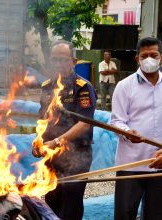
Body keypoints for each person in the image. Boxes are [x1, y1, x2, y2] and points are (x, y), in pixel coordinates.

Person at [32, 40, 97, 220]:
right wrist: (38, 141)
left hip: (77, 155)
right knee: (51, 203)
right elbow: (42, 120)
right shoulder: (46, 87)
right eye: (55, 60)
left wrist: (58, 141)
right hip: (52, 155)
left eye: (63, 59)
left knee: (70, 206)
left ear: (73, 61)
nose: (59, 64)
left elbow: (84, 123)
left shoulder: (83, 88)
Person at [111, 37, 162, 220]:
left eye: (153, 55)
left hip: (159, 165)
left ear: (160, 57)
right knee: (124, 215)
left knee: (156, 215)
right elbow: (116, 121)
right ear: (137, 59)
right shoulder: (124, 87)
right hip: (130, 165)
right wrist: (126, 133)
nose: (149, 59)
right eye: (145, 55)